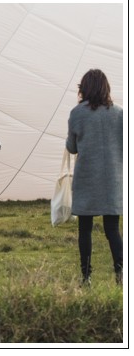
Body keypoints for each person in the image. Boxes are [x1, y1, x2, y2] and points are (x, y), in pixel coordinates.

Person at [66, 68, 122, 286]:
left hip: (87, 178)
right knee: (112, 229)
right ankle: (121, 272)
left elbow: (72, 147)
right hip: (113, 181)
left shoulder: (77, 113)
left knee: (85, 230)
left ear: (84, 88)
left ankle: (86, 276)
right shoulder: (120, 113)